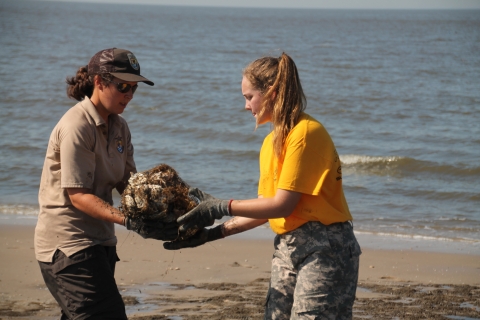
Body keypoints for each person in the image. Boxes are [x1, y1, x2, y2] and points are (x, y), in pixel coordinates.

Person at [164, 53, 362, 319]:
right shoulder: (270, 143)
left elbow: (283, 205)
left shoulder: (304, 132)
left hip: (326, 246)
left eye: (249, 97)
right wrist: (212, 234)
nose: (246, 106)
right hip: (287, 246)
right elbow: (266, 209)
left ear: (272, 93)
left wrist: (220, 207)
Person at [34, 48, 176, 319]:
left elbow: (130, 185)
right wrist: (129, 221)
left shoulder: (120, 127)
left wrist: (167, 207)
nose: (130, 95)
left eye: (134, 88)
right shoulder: (77, 125)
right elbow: (78, 196)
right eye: (123, 86)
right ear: (99, 82)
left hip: (101, 243)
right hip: (68, 247)